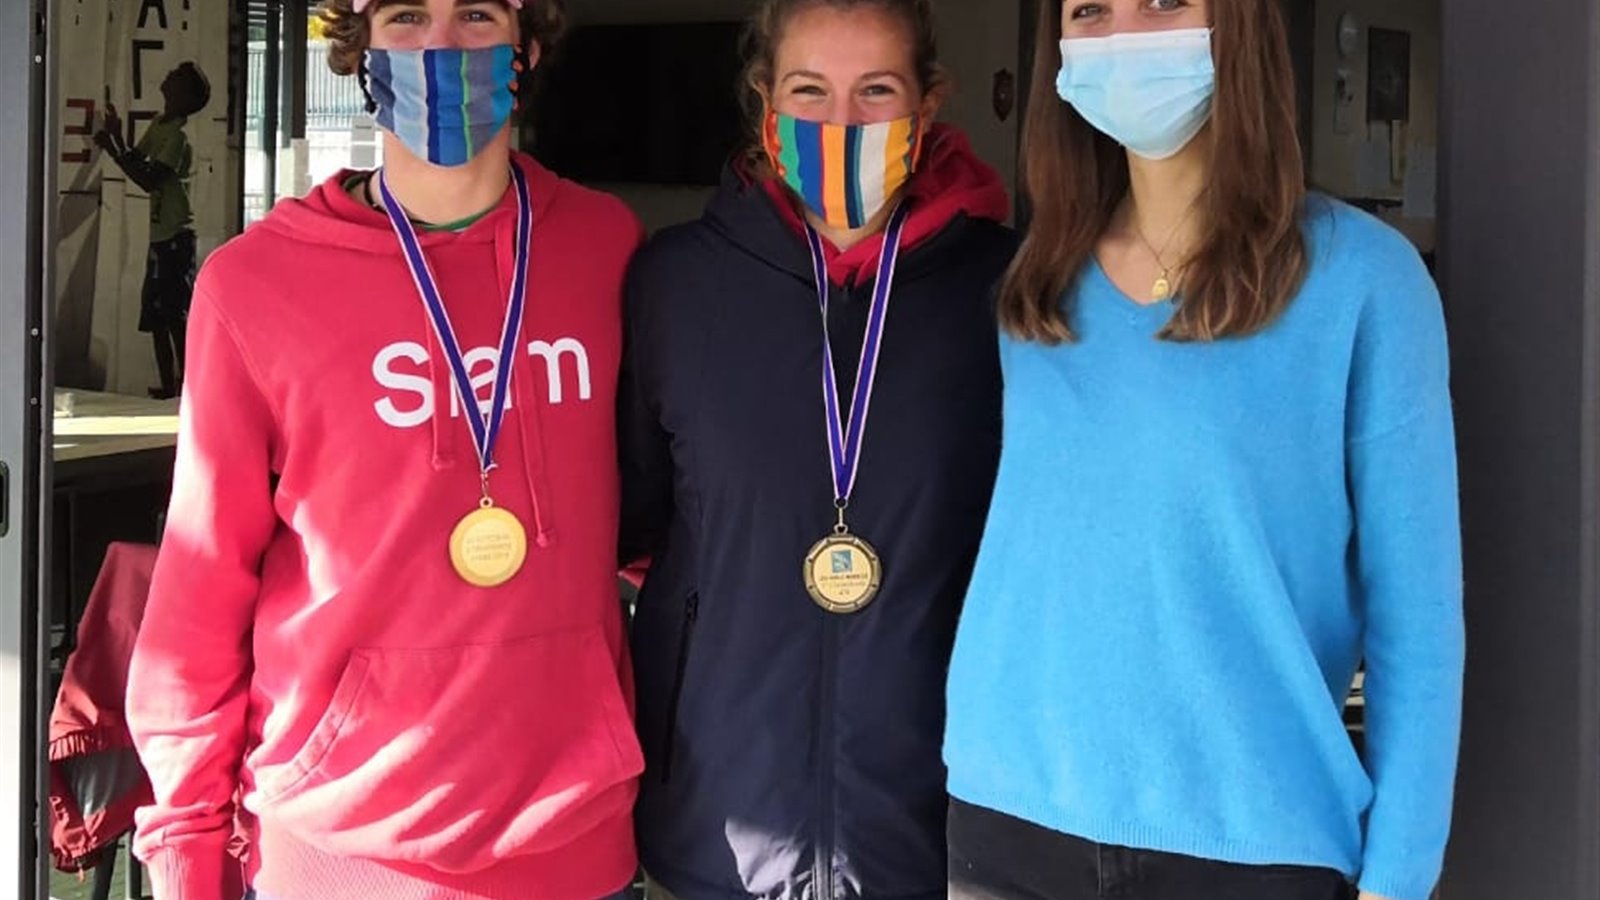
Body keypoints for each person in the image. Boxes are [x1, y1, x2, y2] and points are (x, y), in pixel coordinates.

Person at [942, 2, 1463, 900]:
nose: (1125, 35)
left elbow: (1416, 616)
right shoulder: (1038, 284)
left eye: (1164, 1)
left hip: (1252, 838)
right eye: (1089, 10)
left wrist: (1400, 876)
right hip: (1009, 816)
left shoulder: (1366, 284)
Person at [125, 2, 645, 898]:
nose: (441, 45)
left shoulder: (608, 250)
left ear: (527, 44)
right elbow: (199, 591)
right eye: (406, 15)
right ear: (360, 48)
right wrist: (187, 850)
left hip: (573, 839)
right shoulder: (253, 286)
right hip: (336, 848)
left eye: (476, 13)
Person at [618, 1, 1015, 898]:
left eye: (876, 91)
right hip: (720, 826)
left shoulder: (1006, 289)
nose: (840, 122)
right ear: (764, 102)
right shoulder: (675, 284)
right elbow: (642, 524)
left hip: (938, 830)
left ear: (928, 104)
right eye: (809, 91)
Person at [95, 61, 209, 399]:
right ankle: (170, 384)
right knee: (158, 315)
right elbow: (138, 158)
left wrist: (113, 147)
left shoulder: (177, 137)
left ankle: (185, 384)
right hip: (161, 235)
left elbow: (148, 178)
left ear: (183, 94)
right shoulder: (161, 125)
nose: (167, 78)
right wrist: (116, 140)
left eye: (175, 78)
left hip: (174, 236)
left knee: (174, 314)